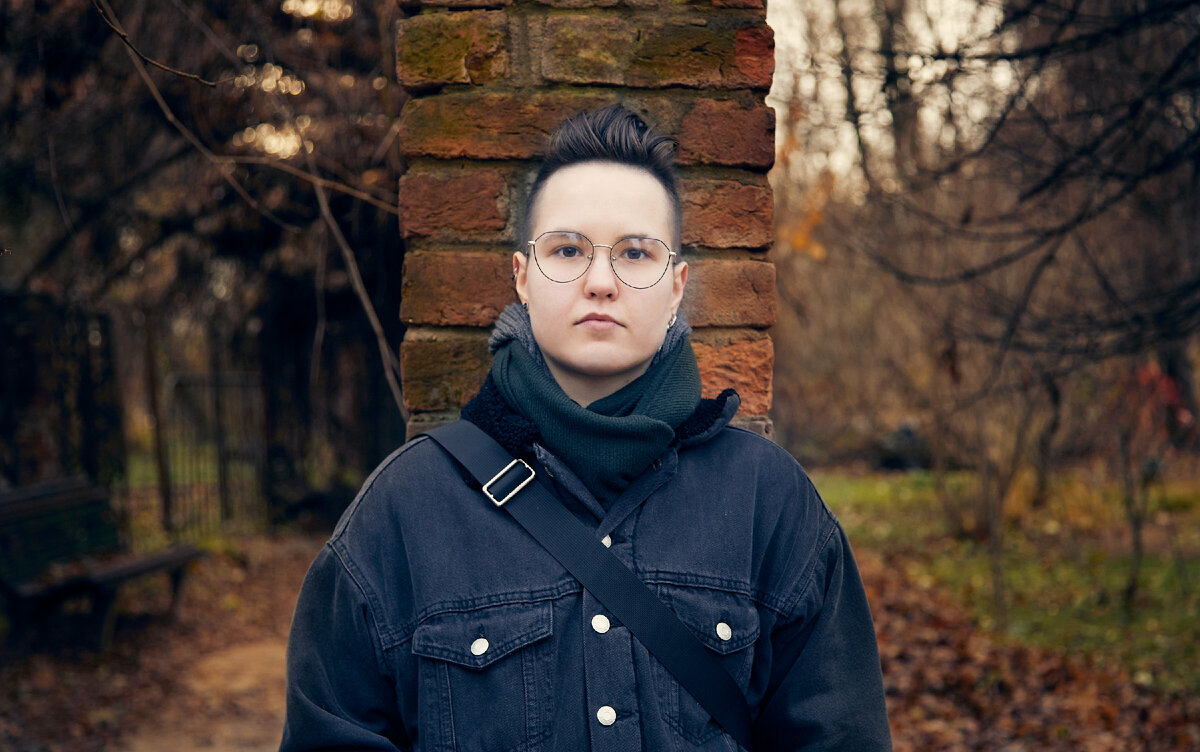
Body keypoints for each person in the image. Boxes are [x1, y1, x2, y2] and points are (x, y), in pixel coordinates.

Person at [281, 105, 892, 751]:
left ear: (676, 286)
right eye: (568, 250)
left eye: (635, 253)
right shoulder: (403, 512)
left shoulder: (769, 502)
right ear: (522, 277)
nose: (601, 282)